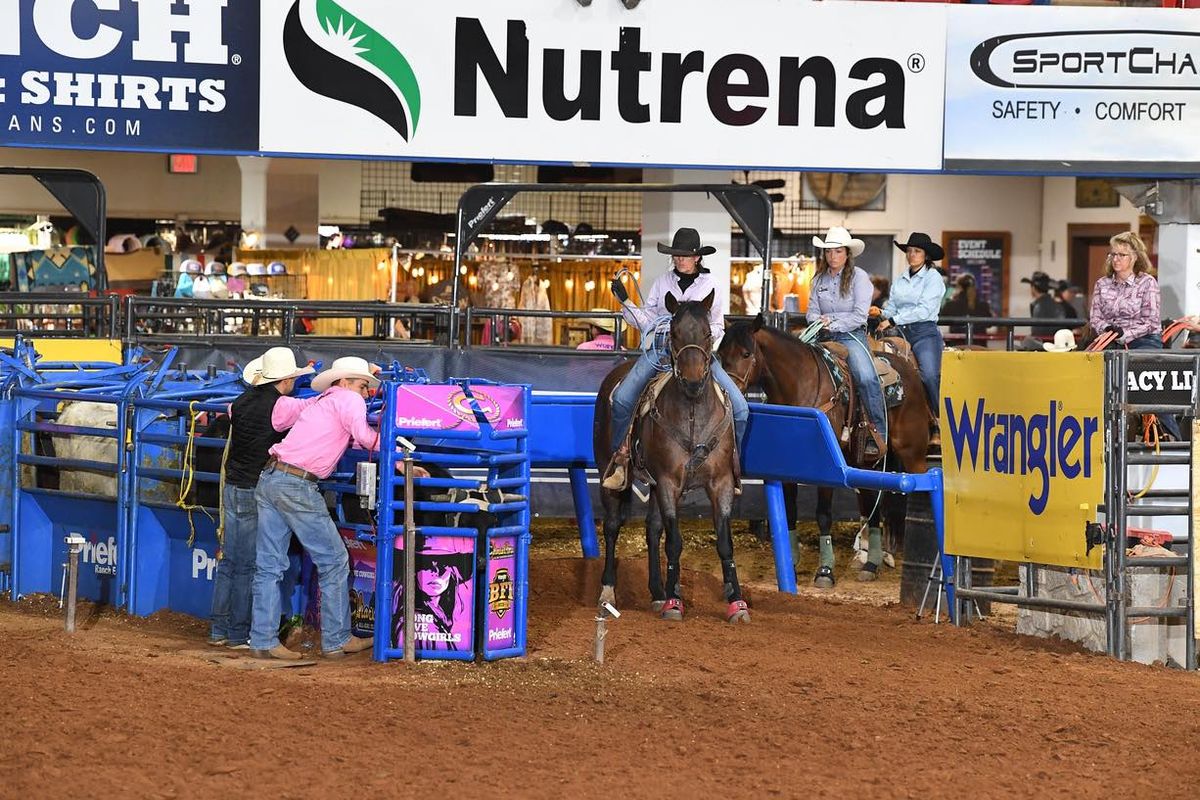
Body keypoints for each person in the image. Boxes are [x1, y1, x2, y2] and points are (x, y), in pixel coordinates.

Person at [250, 356, 422, 660]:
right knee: (333, 560)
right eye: (360, 384)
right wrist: (399, 457)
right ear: (343, 382)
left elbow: (353, 439)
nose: (365, 392)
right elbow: (366, 438)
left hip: (271, 477)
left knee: (269, 565)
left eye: (366, 387)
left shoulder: (323, 401)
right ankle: (337, 639)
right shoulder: (348, 400)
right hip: (297, 485)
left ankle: (262, 639)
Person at [601, 227, 750, 492]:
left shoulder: (712, 284)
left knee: (740, 408)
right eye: (677, 255)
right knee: (623, 398)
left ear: (697, 258)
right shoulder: (662, 282)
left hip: (700, 355)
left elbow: (718, 325)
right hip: (662, 351)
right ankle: (620, 459)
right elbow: (648, 320)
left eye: (686, 255)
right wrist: (625, 302)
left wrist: (697, 339)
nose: (680, 260)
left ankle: (732, 464)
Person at [208, 347, 314, 650]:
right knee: (249, 564)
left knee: (231, 561)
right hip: (257, 488)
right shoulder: (284, 407)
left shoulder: (238, 404)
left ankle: (219, 629)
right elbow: (310, 409)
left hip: (234, 486)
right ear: (286, 379)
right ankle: (239, 633)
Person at [1090, 231, 1181, 440]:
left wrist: (1126, 333)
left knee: (1150, 385)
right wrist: (1108, 330)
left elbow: (1151, 322)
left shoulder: (1147, 283)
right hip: (1110, 340)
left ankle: (1173, 438)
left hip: (1143, 340)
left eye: (1122, 255)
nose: (1116, 259)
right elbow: (1095, 317)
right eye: (1113, 254)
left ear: (1134, 258)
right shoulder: (1102, 284)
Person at [808, 226, 886, 459]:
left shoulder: (859, 277)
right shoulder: (818, 279)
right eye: (829, 252)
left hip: (850, 336)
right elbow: (811, 312)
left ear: (847, 254)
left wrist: (831, 322)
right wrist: (819, 322)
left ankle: (877, 432)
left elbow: (859, 315)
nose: (833, 256)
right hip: (821, 335)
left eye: (838, 251)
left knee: (866, 376)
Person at [878, 232, 947, 433]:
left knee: (929, 375)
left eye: (917, 251)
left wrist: (892, 320)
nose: (911, 254)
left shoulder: (933, 278)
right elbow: (892, 307)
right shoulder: (901, 279)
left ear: (926, 256)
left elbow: (925, 310)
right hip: (900, 332)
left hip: (924, 333)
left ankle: (938, 421)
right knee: (886, 371)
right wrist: (881, 312)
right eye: (909, 251)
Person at [391, 535, 475, 652]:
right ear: (414, 571)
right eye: (426, 565)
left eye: (443, 565)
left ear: (452, 573)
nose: (436, 572)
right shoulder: (414, 620)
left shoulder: (439, 614)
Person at [941, 273, 994, 337]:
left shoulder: (950, 305)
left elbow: (941, 324)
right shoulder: (984, 305)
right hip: (979, 345)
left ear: (959, 287)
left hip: (957, 345)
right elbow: (990, 324)